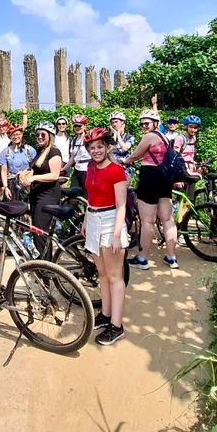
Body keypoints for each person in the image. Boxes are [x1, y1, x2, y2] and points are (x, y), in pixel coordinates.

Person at [81, 127, 129, 346]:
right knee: (101, 272)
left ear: (107, 147)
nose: (96, 151)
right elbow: (90, 197)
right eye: (92, 147)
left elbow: (121, 206)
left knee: (114, 276)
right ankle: (106, 313)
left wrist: (117, 235)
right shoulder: (91, 167)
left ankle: (117, 326)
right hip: (92, 218)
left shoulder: (116, 171)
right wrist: (85, 221)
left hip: (111, 221)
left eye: (100, 146)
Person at [124, 108, 180, 270]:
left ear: (155, 123)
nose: (144, 126)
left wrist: (124, 162)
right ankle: (171, 257)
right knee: (167, 219)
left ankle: (142, 259)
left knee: (147, 221)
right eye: (142, 124)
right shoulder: (163, 136)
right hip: (164, 179)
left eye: (146, 123)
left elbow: (136, 155)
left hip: (150, 177)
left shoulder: (149, 136)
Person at [20, 121, 63, 234]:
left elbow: (54, 175)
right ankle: (43, 252)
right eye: (37, 135)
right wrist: (25, 175)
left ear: (50, 135)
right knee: (36, 230)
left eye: (43, 134)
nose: (39, 137)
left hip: (48, 195)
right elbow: (36, 169)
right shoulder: (40, 151)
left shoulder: (54, 152)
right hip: (36, 194)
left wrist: (34, 178)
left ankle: (43, 251)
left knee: (40, 231)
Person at [0, 122, 36, 201]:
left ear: (22, 135)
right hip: (12, 183)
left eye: (18, 134)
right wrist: (5, 187)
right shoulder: (6, 152)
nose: (16, 137)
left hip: (27, 182)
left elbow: (36, 167)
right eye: (13, 135)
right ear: (10, 136)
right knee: (13, 208)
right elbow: (4, 171)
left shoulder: (30, 150)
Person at [66, 114, 91, 188]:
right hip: (77, 170)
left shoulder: (89, 139)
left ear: (84, 126)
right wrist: (63, 169)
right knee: (73, 195)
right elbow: (72, 159)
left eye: (79, 126)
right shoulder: (73, 140)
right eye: (75, 126)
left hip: (87, 170)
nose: (77, 128)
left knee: (86, 196)